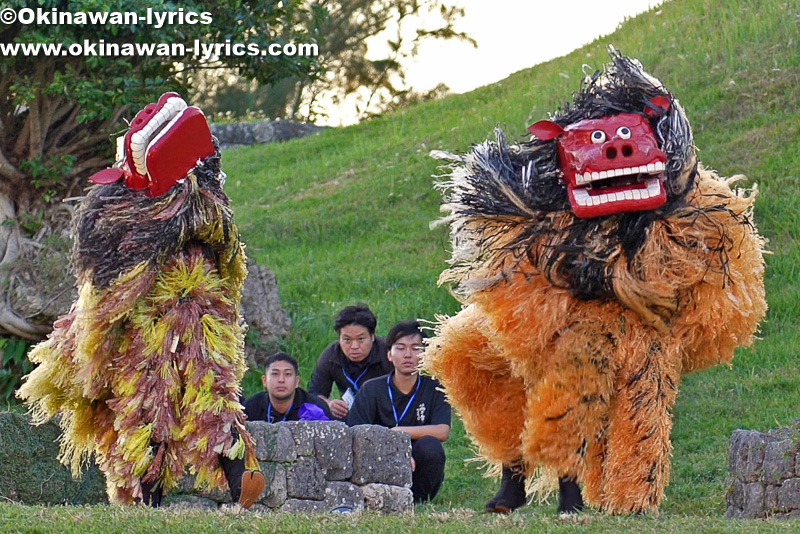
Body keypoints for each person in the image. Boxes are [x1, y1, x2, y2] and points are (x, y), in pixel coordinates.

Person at [347, 320, 451, 503]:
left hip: (419, 462)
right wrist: (395, 451)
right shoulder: (371, 389)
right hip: (379, 460)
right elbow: (356, 432)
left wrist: (398, 432)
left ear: (425, 353)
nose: (408, 355)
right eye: (401, 348)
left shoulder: (435, 388)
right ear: (389, 354)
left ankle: (418, 500)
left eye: (415, 348)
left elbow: (442, 431)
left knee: (430, 446)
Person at [308, 304, 393, 420]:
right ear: (339, 338)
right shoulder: (331, 356)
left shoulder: (388, 354)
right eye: (347, 340)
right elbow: (314, 393)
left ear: (372, 336)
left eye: (361, 339)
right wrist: (328, 404)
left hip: (386, 413)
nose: (354, 346)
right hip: (349, 413)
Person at [245, 352, 332, 423]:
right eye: (275, 374)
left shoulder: (316, 409)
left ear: (297, 382)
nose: (281, 380)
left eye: (287, 374)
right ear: (264, 381)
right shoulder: (250, 408)